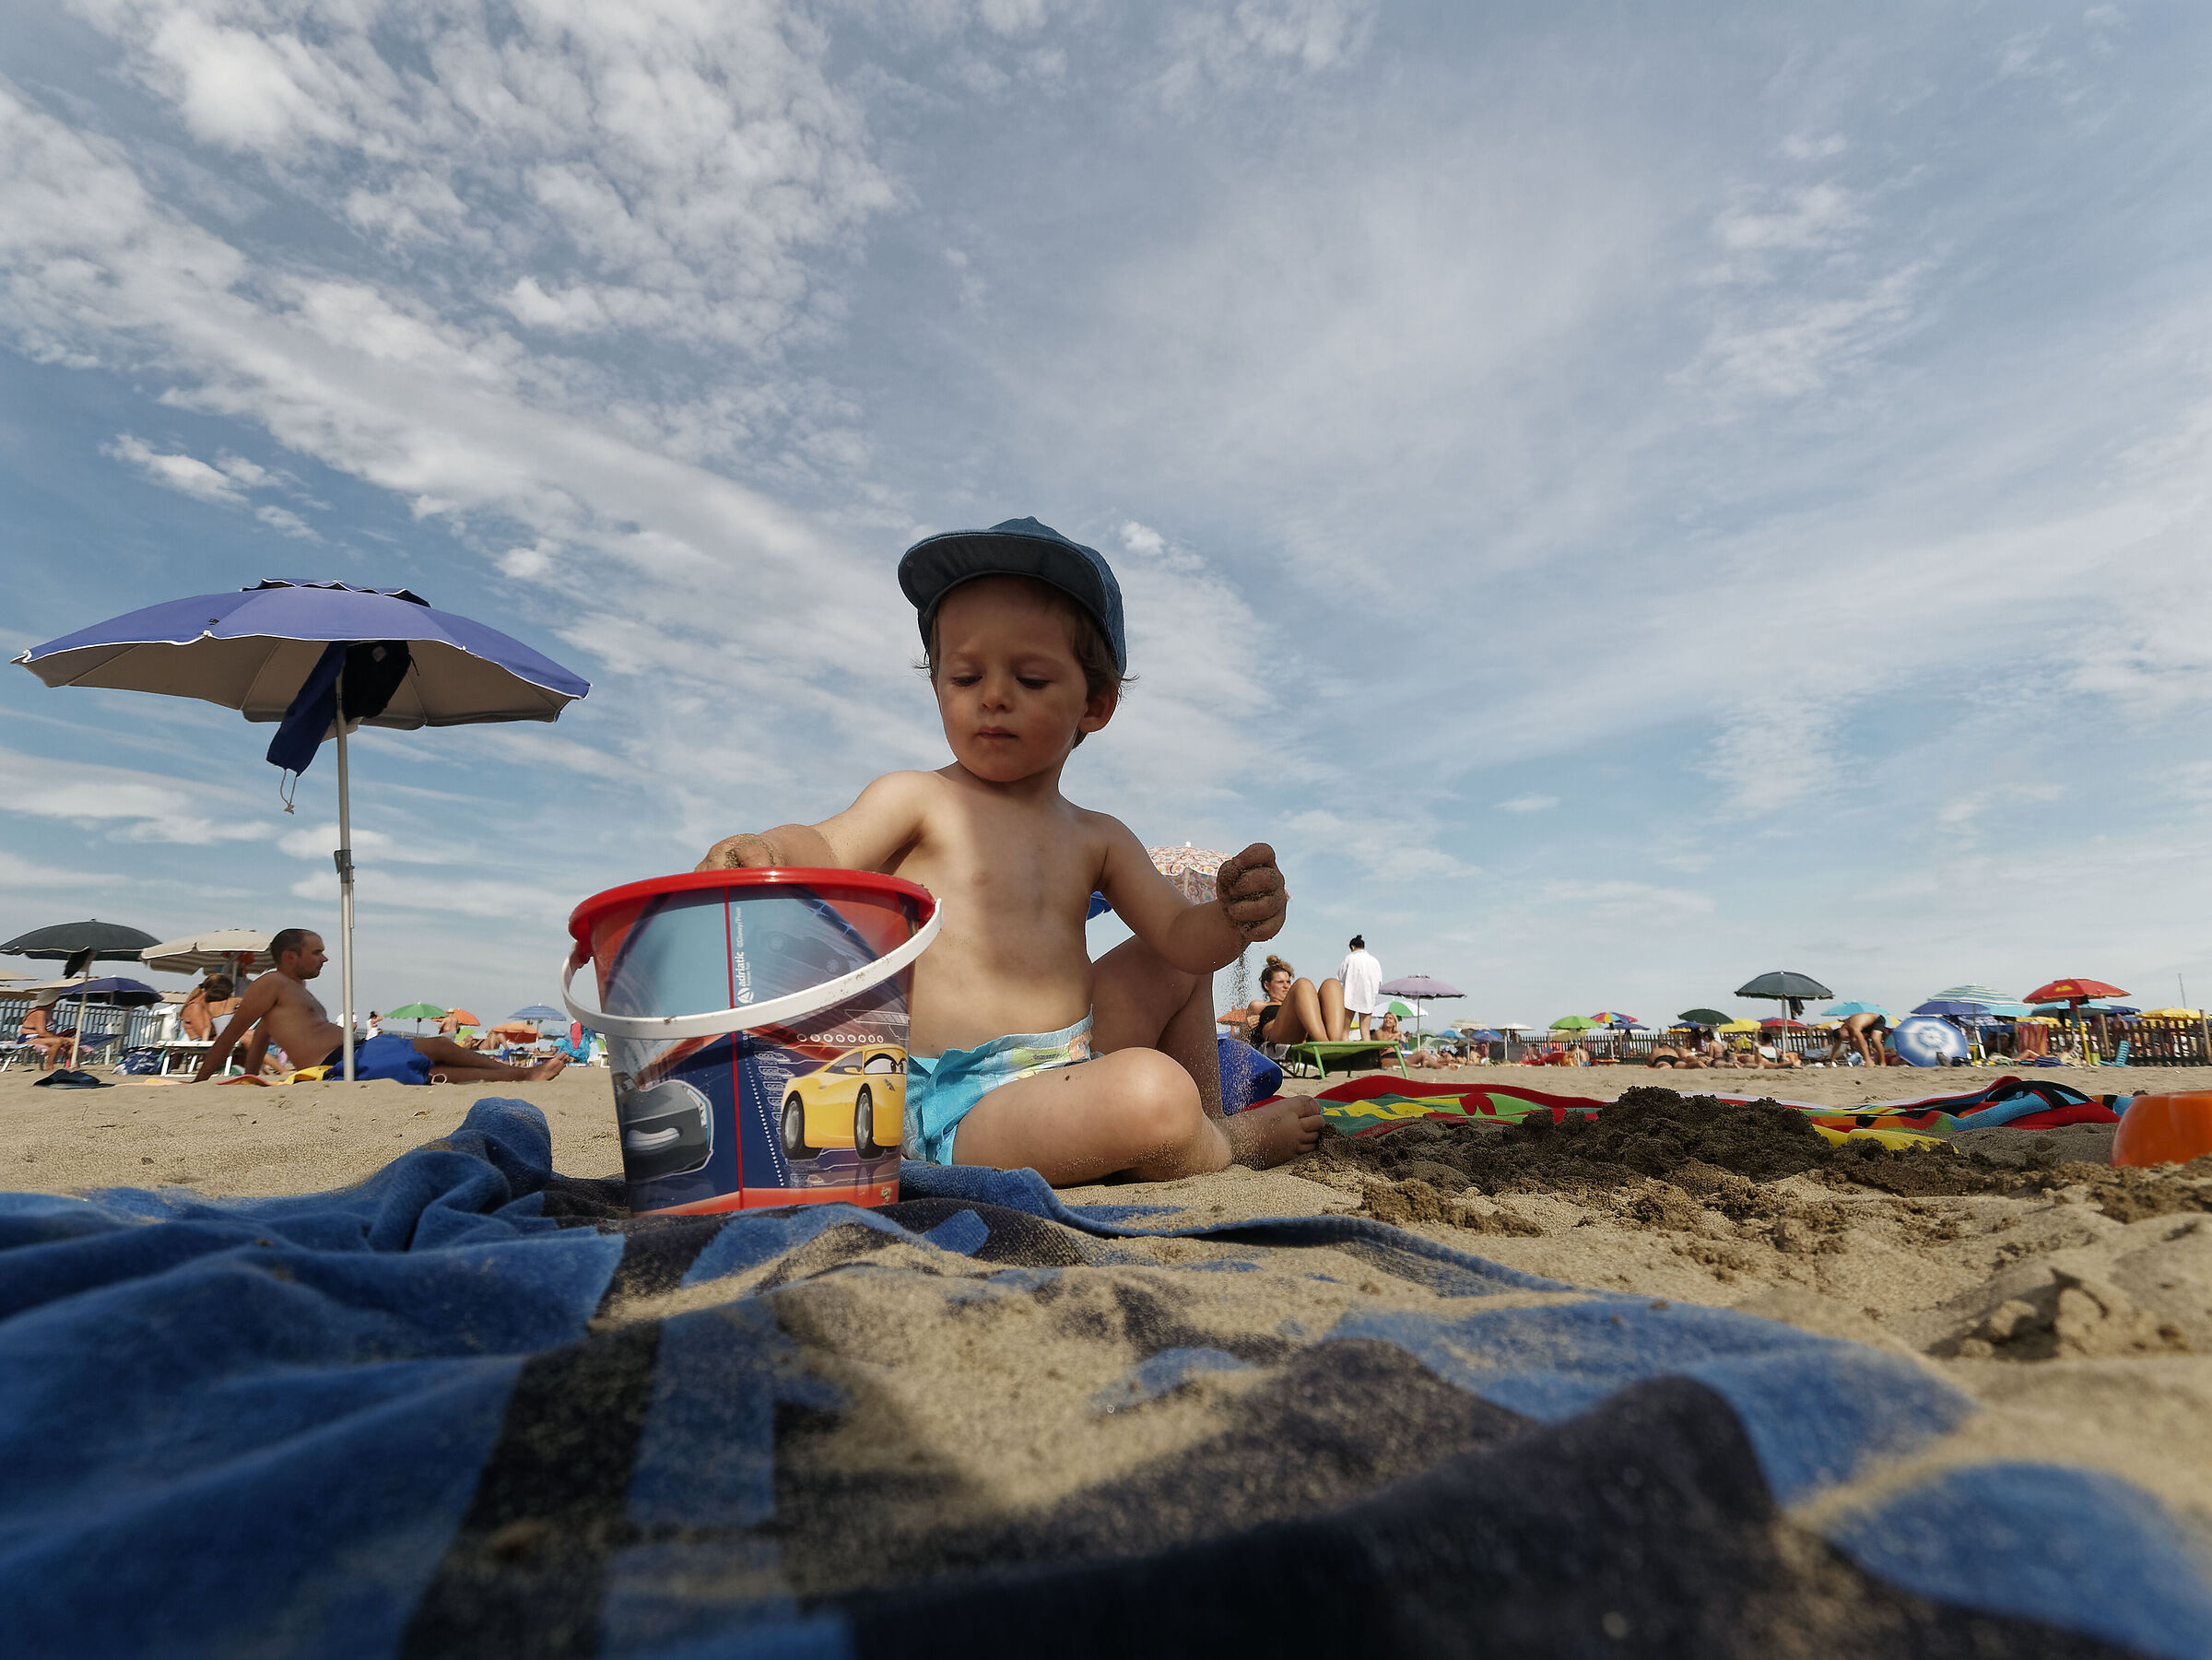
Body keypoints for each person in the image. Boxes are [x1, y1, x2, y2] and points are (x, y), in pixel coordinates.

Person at [695, 516, 1322, 1185]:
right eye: (965, 676)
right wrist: (766, 849)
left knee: (1176, 970)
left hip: (1071, 1059)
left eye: (1029, 678)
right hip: (958, 1103)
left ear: (1097, 703)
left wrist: (1232, 919)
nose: (993, 695)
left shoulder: (1097, 834)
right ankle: (1221, 1142)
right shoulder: (917, 797)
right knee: (1149, 1095)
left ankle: (1202, 1112)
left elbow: (1182, 937)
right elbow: (826, 843)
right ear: (937, 684)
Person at [193, 929, 568, 1085]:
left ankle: (524, 1075)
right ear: (290, 957)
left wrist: (252, 1078)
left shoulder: (293, 988)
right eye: (317, 951)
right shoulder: (271, 982)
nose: (324, 958)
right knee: (433, 1064)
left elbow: (262, 1038)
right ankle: (525, 1077)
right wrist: (202, 1081)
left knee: (437, 1051)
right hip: (335, 1063)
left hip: (352, 1051)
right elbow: (232, 1035)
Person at [1227, 955, 1349, 1048]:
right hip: (1278, 1036)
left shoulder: (1300, 1001)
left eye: (1288, 982)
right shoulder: (1258, 1005)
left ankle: (1334, 1042)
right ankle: (1326, 1045)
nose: (1286, 986)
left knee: (1331, 983)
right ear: (1266, 985)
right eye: (1280, 982)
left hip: (1308, 1032)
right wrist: (1245, 1026)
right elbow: (1244, 1040)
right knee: (1302, 984)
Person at [1337, 935, 1382, 1039]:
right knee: (1365, 1031)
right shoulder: (1374, 961)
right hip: (1368, 996)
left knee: (1345, 1030)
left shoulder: (1350, 958)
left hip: (1350, 995)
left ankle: (1345, 1053)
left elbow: (1340, 976)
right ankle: (1367, 1054)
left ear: (1352, 947)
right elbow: (1379, 980)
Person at [179, 975, 236, 1042]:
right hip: (198, 1043)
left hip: (210, 1040)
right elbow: (203, 1032)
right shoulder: (195, 1006)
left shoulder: (206, 1005)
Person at [1825, 1012, 1889, 1067]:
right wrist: (1832, 1061)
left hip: (1877, 1019)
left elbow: (1862, 1042)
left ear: (1843, 1030)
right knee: (1853, 1040)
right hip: (1865, 1027)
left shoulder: (1853, 1027)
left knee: (1875, 1038)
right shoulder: (1843, 1031)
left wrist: (1868, 1060)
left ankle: (1883, 1062)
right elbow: (1836, 1046)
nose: (1847, 1038)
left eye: (1846, 1037)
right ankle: (1868, 1060)